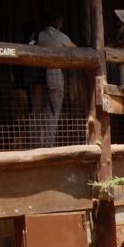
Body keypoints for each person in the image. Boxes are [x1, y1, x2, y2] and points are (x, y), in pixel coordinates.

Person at [34, 13, 75, 148]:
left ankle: (38, 143)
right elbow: (76, 50)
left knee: (42, 110)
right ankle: (49, 144)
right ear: (59, 23)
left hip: (40, 75)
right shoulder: (60, 36)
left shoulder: (40, 35)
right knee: (54, 111)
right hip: (54, 73)